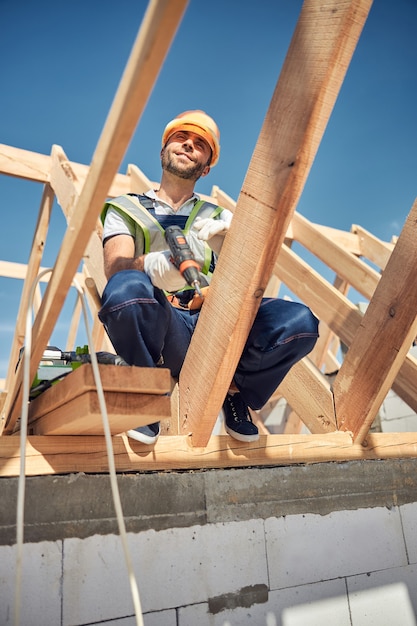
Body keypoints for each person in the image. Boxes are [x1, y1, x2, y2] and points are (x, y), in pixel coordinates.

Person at [98, 110, 319, 445]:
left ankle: (235, 390)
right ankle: (145, 396)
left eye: (200, 144)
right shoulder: (125, 208)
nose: (189, 144)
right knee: (125, 288)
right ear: (164, 149)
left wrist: (232, 247)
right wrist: (151, 267)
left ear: (207, 166)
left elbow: (251, 286)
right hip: (164, 328)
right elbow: (115, 269)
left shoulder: (219, 216)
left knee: (299, 322)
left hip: (214, 323)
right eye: (181, 137)